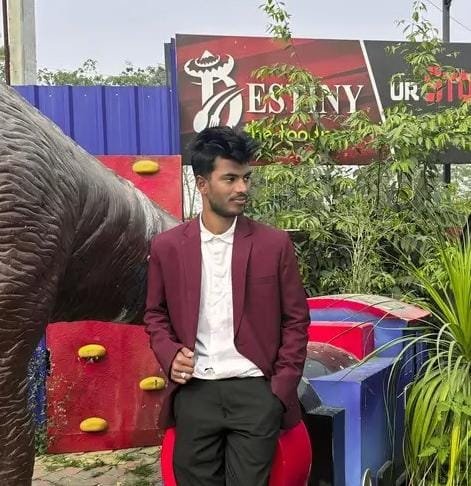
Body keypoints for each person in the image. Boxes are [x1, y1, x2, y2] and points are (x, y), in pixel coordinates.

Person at [144, 126, 310, 486]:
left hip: (255, 391)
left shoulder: (273, 244)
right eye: (230, 179)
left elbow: (296, 320)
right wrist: (170, 354)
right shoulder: (167, 247)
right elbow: (155, 314)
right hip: (195, 391)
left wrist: (279, 391)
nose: (242, 188)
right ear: (202, 184)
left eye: (245, 178)